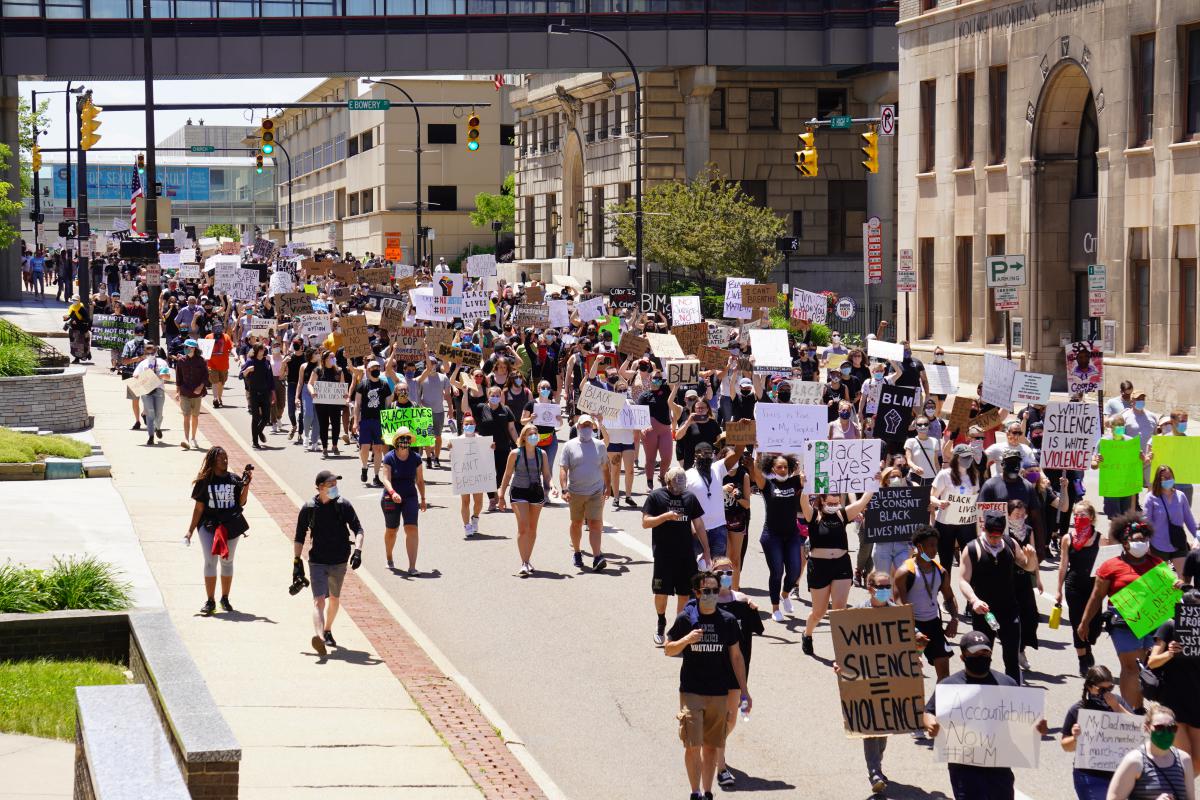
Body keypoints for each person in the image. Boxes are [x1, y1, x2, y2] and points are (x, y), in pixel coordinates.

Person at [922, 631, 1050, 800]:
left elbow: (1023, 718)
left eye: (985, 652)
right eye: (975, 653)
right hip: (964, 767)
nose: (981, 656)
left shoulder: (1007, 683)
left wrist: (1037, 727)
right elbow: (929, 711)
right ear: (963, 657)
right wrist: (931, 724)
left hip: (999, 765)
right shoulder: (950, 686)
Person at [663, 571, 752, 800]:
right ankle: (695, 792)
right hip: (692, 690)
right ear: (697, 593)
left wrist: (745, 691)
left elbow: (736, 657)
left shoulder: (728, 621)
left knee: (711, 746)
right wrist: (687, 640)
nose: (712, 595)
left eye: (715, 590)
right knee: (692, 745)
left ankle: (708, 791)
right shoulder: (686, 618)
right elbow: (668, 648)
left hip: (718, 692)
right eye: (706, 591)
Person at [1077, 512, 1164, 710]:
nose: (1141, 543)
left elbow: (1167, 595)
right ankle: (1134, 711)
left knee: (1148, 666)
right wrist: (1085, 622)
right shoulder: (1110, 566)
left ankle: (1140, 704)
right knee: (1131, 667)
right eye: (1136, 540)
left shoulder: (1157, 564)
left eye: (1144, 539)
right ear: (1125, 543)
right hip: (1123, 625)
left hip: (1151, 625)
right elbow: (1097, 596)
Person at [835, 569, 911, 795]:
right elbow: (846, 645)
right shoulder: (858, 612)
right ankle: (874, 772)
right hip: (865, 678)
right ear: (870, 589)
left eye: (888, 586)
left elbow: (908, 641)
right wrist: (841, 665)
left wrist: (916, 650)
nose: (885, 590)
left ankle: (878, 764)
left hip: (890, 676)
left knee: (884, 725)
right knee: (870, 725)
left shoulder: (898, 613)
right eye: (881, 586)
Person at [799, 480, 875, 656]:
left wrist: (873, 482)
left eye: (837, 503)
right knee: (819, 612)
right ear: (822, 500)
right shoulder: (814, 515)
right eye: (830, 503)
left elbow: (863, 501)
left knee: (839, 610)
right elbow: (803, 501)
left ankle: (842, 651)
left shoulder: (842, 515)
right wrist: (806, 486)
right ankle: (807, 634)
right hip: (819, 567)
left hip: (841, 565)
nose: (834, 506)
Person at [293, 471, 364, 657]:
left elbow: (358, 529)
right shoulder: (309, 508)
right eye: (330, 484)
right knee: (318, 600)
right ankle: (319, 638)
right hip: (317, 560)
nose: (334, 487)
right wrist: (296, 561)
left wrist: (358, 551)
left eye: (335, 484)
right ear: (320, 487)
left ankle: (327, 629)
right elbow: (299, 536)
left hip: (339, 560)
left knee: (334, 598)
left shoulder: (343, 505)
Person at [959, 513, 1030, 683]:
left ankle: (1013, 695)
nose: (995, 540)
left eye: (998, 536)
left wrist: (1032, 558)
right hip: (984, 612)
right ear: (984, 529)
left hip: (1009, 609)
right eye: (991, 536)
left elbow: (1027, 565)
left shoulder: (1010, 543)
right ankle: (983, 694)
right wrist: (974, 600)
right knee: (982, 658)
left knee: (1011, 658)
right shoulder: (971, 548)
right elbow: (963, 580)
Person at [711, 555, 762, 790]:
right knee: (720, 720)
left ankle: (713, 746)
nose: (725, 576)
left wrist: (751, 604)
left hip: (737, 671)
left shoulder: (742, 602)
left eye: (729, 571)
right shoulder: (706, 604)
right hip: (711, 671)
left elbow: (758, 630)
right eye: (720, 572)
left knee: (730, 720)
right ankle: (720, 767)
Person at [645, 465, 711, 645]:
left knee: (685, 594)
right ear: (667, 481)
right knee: (661, 593)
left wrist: (706, 551)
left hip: (686, 555)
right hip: (664, 555)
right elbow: (646, 522)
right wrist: (665, 517)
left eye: (681, 487)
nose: (678, 491)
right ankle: (661, 622)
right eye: (675, 487)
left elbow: (699, 526)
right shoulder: (656, 497)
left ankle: (677, 628)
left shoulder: (689, 498)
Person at [185, 447, 251, 615]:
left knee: (227, 561)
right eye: (222, 459)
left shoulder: (234, 480)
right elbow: (199, 508)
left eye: (227, 458)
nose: (225, 461)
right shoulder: (204, 481)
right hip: (208, 526)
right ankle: (210, 601)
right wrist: (190, 530)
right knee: (210, 561)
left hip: (230, 526)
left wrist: (246, 484)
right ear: (213, 460)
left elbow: (241, 502)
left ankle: (225, 598)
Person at [1059, 665, 1136, 800]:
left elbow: (1137, 728)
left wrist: (1117, 708)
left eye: (1110, 688)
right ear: (1090, 687)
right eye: (1101, 690)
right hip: (1089, 775)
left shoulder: (1117, 702)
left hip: (1118, 773)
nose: (1106, 693)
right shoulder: (1078, 709)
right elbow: (1065, 746)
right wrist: (1075, 738)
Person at [894, 525, 958, 681]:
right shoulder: (905, 572)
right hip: (911, 625)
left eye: (936, 545)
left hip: (933, 625)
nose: (935, 550)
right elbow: (898, 605)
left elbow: (949, 597)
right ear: (919, 546)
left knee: (944, 677)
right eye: (931, 545)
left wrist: (954, 619)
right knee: (910, 676)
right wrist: (914, 631)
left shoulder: (941, 571)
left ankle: (934, 706)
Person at [749, 453, 805, 623]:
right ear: (772, 468)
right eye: (779, 467)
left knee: (795, 571)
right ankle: (775, 608)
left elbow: (811, 483)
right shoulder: (767, 484)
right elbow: (756, 472)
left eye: (785, 467)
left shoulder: (795, 482)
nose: (782, 470)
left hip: (792, 534)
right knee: (777, 572)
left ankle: (785, 594)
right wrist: (756, 455)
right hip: (772, 536)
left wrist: (805, 477)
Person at [1147, 590, 1200, 760]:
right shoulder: (1169, 626)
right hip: (1173, 699)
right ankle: (1177, 784)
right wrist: (1169, 654)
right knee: (1184, 755)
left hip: (1197, 700)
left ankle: (1177, 785)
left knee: (1198, 761)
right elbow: (1152, 661)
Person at [1056, 501, 1106, 677]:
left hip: (1095, 588)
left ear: (1092, 517)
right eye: (1076, 515)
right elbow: (1063, 565)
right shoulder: (1067, 539)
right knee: (1077, 624)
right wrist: (1058, 590)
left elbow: (1108, 566)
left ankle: (1088, 646)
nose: (1079, 518)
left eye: (1083, 515)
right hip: (1073, 586)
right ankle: (1082, 660)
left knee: (1095, 626)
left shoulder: (1101, 539)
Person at [1106, 703, 1195, 800]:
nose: (1166, 733)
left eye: (1171, 728)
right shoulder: (1134, 761)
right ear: (1147, 728)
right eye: (1160, 728)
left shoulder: (1184, 760)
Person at [499, 422, 552, 576]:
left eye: (535, 433)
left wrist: (552, 487)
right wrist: (501, 494)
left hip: (536, 491)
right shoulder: (515, 453)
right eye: (530, 434)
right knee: (523, 527)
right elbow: (508, 474)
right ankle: (523, 563)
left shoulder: (542, 454)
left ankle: (528, 559)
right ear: (523, 437)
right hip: (519, 491)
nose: (534, 436)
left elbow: (547, 474)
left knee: (532, 529)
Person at [559, 414, 611, 572]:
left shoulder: (600, 445)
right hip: (576, 492)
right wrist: (564, 489)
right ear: (578, 427)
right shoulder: (569, 446)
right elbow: (563, 469)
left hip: (595, 491)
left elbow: (605, 467)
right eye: (583, 426)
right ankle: (577, 552)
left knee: (595, 523)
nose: (587, 428)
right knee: (576, 523)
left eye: (589, 425)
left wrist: (608, 486)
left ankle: (597, 556)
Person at [379, 428, 427, 574]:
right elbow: (386, 478)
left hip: (410, 497)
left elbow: (419, 480)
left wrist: (423, 498)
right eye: (402, 438)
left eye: (407, 438)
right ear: (396, 441)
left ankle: (412, 566)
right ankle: (389, 557)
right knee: (392, 530)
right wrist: (392, 492)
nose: (404, 441)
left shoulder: (416, 458)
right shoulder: (389, 457)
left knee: (412, 528)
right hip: (391, 497)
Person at [931, 444, 985, 572]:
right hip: (945, 523)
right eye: (964, 457)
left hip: (967, 523)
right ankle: (946, 589)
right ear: (956, 458)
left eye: (970, 457)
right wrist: (939, 502)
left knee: (970, 559)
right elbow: (932, 497)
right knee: (945, 560)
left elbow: (976, 497)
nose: (968, 460)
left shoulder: (974, 475)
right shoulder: (944, 474)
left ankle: (969, 589)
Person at [685, 442, 742, 562]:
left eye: (709, 454)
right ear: (696, 456)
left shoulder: (718, 468)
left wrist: (742, 437)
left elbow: (737, 454)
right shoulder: (688, 475)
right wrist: (690, 526)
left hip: (718, 528)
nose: (706, 457)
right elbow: (684, 505)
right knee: (698, 570)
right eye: (703, 454)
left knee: (718, 568)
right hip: (698, 530)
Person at [1006, 500, 1042, 673]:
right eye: (1016, 514)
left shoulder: (1028, 530)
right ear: (1008, 514)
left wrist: (1039, 578)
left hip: (1025, 579)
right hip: (1008, 581)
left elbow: (1033, 554)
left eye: (1022, 514)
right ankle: (1015, 653)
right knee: (1013, 619)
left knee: (1031, 618)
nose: (1020, 517)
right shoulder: (1004, 531)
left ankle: (1021, 649)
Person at [1144, 465, 1196, 573]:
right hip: (1158, 546)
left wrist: (1198, 536)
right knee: (1161, 581)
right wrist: (1145, 544)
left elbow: (1189, 519)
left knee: (1183, 578)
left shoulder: (1181, 496)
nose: (1169, 480)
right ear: (1158, 480)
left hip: (1178, 544)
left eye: (1170, 477)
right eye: (1165, 478)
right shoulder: (1150, 497)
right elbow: (1146, 523)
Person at [353, 359, 392, 486]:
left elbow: (388, 404)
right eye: (373, 368)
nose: (376, 370)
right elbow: (357, 404)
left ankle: (376, 476)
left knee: (378, 448)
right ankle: (364, 467)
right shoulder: (362, 385)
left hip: (379, 421)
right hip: (365, 420)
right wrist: (355, 421)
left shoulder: (384, 385)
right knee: (364, 447)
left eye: (378, 368)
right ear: (368, 370)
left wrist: (388, 422)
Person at [722, 448, 753, 591]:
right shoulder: (718, 473)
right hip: (720, 519)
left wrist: (738, 497)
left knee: (735, 558)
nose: (733, 463)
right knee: (723, 558)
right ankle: (723, 591)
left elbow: (747, 504)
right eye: (730, 459)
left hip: (737, 520)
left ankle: (734, 591)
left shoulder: (743, 475)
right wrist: (722, 489)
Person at [309, 349, 347, 458]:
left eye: (334, 357)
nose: (333, 359)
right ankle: (325, 448)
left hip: (335, 403)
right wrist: (312, 392)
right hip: (321, 403)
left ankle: (334, 445)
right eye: (331, 357)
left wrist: (345, 395)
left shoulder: (339, 371)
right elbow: (310, 384)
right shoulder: (318, 371)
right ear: (325, 359)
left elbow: (342, 386)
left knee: (336, 425)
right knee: (323, 425)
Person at [132, 340, 171, 446]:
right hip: (146, 391)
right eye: (148, 353)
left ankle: (157, 427)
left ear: (155, 351)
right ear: (145, 352)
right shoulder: (143, 364)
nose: (150, 355)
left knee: (158, 414)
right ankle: (151, 436)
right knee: (150, 414)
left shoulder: (162, 363)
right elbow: (135, 375)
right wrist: (143, 377)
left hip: (159, 389)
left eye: (152, 352)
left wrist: (161, 376)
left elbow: (168, 376)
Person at [239, 342, 275, 450]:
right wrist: (248, 370)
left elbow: (270, 379)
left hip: (265, 393)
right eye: (260, 350)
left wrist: (273, 392)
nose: (262, 351)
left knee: (265, 417)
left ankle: (259, 431)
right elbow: (241, 375)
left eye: (263, 350)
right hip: (254, 393)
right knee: (256, 417)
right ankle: (255, 442)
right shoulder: (250, 361)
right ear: (256, 351)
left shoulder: (266, 362)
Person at [174, 338, 207, 450]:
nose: (186, 349)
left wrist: (200, 387)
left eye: (188, 347)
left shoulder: (201, 361)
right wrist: (177, 392)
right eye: (185, 347)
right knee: (186, 415)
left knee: (195, 416)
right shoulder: (181, 361)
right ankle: (186, 439)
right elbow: (178, 378)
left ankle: (193, 438)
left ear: (193, 348)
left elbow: (205, 376)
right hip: (185, 392)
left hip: (197, 394)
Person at [204, 321, 234, 408]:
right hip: (212, 364)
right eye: (216, 327)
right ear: (213, 328)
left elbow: (231, 348)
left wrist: (235, 355)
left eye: (220, 327)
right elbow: (204, 351)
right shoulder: (208, 337)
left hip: (224, 365)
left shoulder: (226, 337)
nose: (218, 329)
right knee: (215, 382)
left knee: (221, 383)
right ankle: (215, 398)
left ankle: (219, 398)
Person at [64, 295, 91, 364]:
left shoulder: (81, 308)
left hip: (81, 329)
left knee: (81, 344)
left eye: (76, 300)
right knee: (74, 344)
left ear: (79, 301)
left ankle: (83, 355)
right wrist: (65, 318)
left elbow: (87, 319)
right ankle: (77, 357)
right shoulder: (72, 308)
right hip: (73, 329)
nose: (74, 301)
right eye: (73, 300)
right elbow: (69, 316)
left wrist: (78, 321)